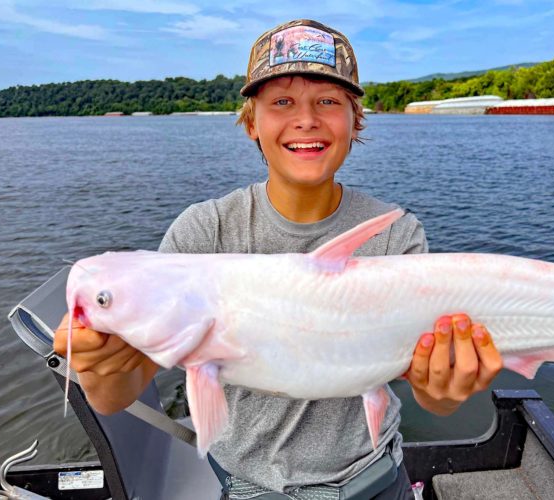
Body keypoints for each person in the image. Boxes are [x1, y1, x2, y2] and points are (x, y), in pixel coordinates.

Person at [54, 19, 503, 499]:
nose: (306, 119)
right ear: (252, 123)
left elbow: (431, 396)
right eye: (281, 102)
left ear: (356, 121)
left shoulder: (396, 234)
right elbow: (116, 394)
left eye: (328, 102)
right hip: (252, 488)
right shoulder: (204, 232)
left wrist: (444, 388)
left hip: (376, 481)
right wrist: (102, 366)